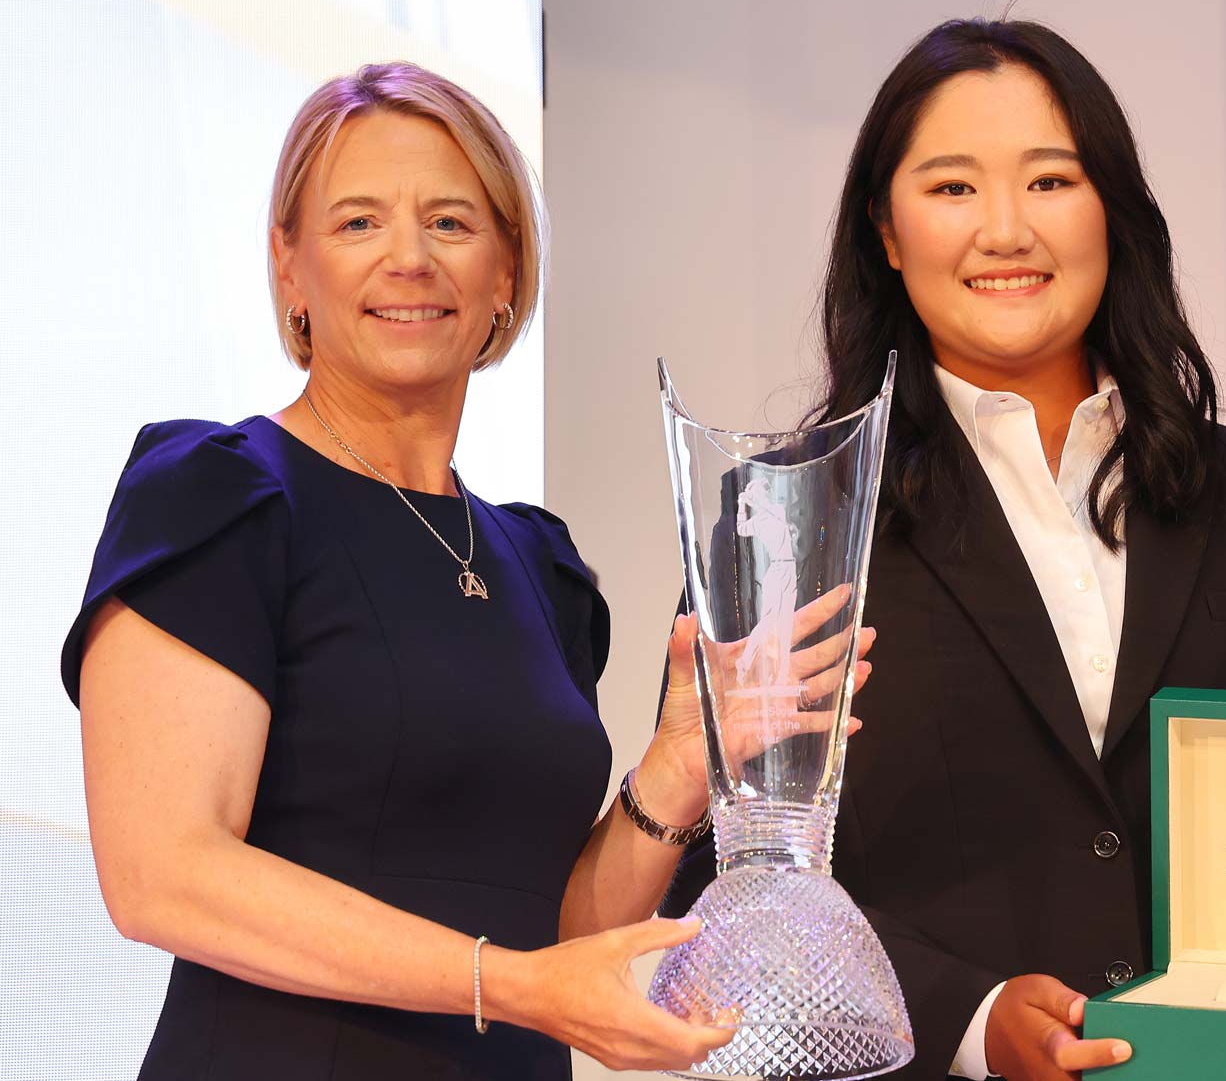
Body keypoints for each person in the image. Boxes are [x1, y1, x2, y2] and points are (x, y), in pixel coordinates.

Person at [60, 61, 864, 1079]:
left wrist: (680, 766)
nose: (407, 259)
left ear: (507, 276)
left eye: (449, 223)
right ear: (288, 268)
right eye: (356, 224)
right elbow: (162, 877)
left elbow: (555, 932)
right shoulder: (219, 498)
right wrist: (510, 985)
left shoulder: (538, 564)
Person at [663, 19, 1226, 1079]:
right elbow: (718, 892)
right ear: (884, 227)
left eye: (1049, 181)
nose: (1004, 231)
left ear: (1114, 209)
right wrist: (969, 1020)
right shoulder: (788, 517)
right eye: (953, 188)